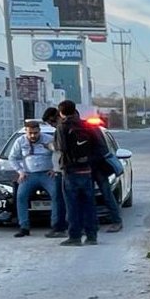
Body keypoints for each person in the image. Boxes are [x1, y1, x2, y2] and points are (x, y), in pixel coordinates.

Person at [54, 100, 99, 246]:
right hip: (86, 170)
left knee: (72, 205)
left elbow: (62, 147)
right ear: (75, 110)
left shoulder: (62, 126)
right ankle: (92, 236)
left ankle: (75, 236)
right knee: (89, 204)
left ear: (60, 112)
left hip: (70, 170)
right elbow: (96, 146)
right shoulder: (86, 125)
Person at [8, 120, 60, 237]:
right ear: (26, 131)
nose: (33, 136)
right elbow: (12, 158)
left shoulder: (48, 139)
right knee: (21, 196)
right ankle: (24, 226)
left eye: (35, 133)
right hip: (28, 174)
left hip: (47, 174)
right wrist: (20, 171)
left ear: (39, 131)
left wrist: (55, 168)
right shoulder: (20, 141)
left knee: (56, 194)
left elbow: (58, 154)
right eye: (30, 133)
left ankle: (56, 225)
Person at [41, 107, 68, 237]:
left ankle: (60, 227)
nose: (51, 125)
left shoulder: (61, 129)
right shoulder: (67, 127)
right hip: (66, 170)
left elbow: (59, 147)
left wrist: (48, 146)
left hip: (62, 171)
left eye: (51, 122)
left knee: (60, 200)